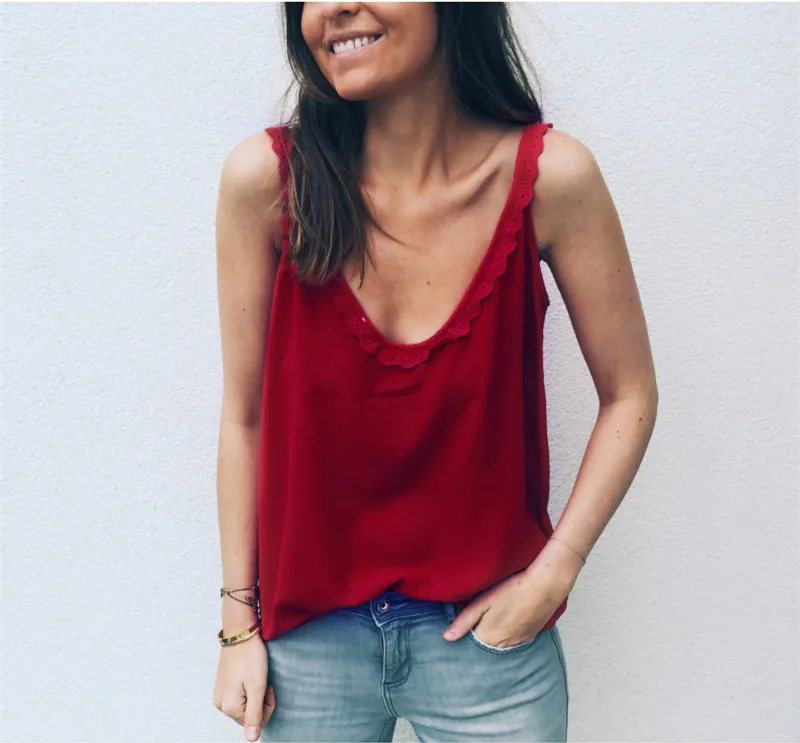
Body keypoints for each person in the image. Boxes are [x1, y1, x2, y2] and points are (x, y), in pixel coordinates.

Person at [212, 2, 658, 741]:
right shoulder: (267, 182)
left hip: (489, 650)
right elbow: (244, 414)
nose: (332, 9)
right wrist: (237, 624)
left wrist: (557, 570)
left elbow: (630, 393)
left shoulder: (552, 179)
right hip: (307, 652)